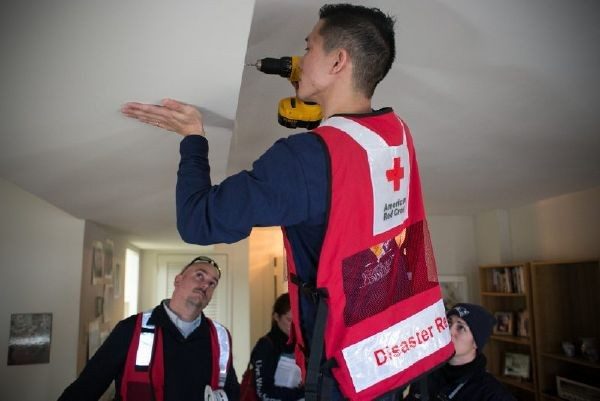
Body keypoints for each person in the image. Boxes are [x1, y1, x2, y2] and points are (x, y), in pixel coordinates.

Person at [122, 4, 453, 400]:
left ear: (338, 61)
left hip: (341, 371)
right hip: (391, 352)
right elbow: (347, 188)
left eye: (309, 47)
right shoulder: (396, 134)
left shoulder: (304, 158)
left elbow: (198, 221)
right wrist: (323, 123)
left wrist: (193, 136)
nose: (299, 60)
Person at [58, 256, 239, 401]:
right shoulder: (131, 329)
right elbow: (88, 386)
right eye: (199, 275)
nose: (205, 285)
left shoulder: (219, 337)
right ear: (178, 280)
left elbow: (231, 390)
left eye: (212, 283)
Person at [404, 303, 517, 401]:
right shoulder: (425, 376)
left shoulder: (491, 394)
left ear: (476, 343)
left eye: (461, 327)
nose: (450, 331)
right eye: (449, 323)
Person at [248, 293, 304, 401]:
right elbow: (262, 391)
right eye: (289, 320)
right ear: (276, 317)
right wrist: (300, 394)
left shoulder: (301, 344)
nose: (294, 327)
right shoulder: (265, 345)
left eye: (297, 321)